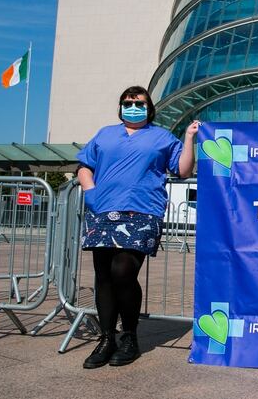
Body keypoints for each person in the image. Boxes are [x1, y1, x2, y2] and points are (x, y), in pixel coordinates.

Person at [76, 86, 200, 369]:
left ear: (149, 107)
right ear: (120, 106)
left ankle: (129, 336)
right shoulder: (105, 134)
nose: (133, 107)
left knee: (123, 271)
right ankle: (107, 338)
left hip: (142, 212)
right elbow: (84, 166)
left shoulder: (162, 137)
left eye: (139, 103)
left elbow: (182, 170)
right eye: (128, 103)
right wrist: (91, 192)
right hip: (103, 210)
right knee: (103, 275)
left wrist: (189, 138)